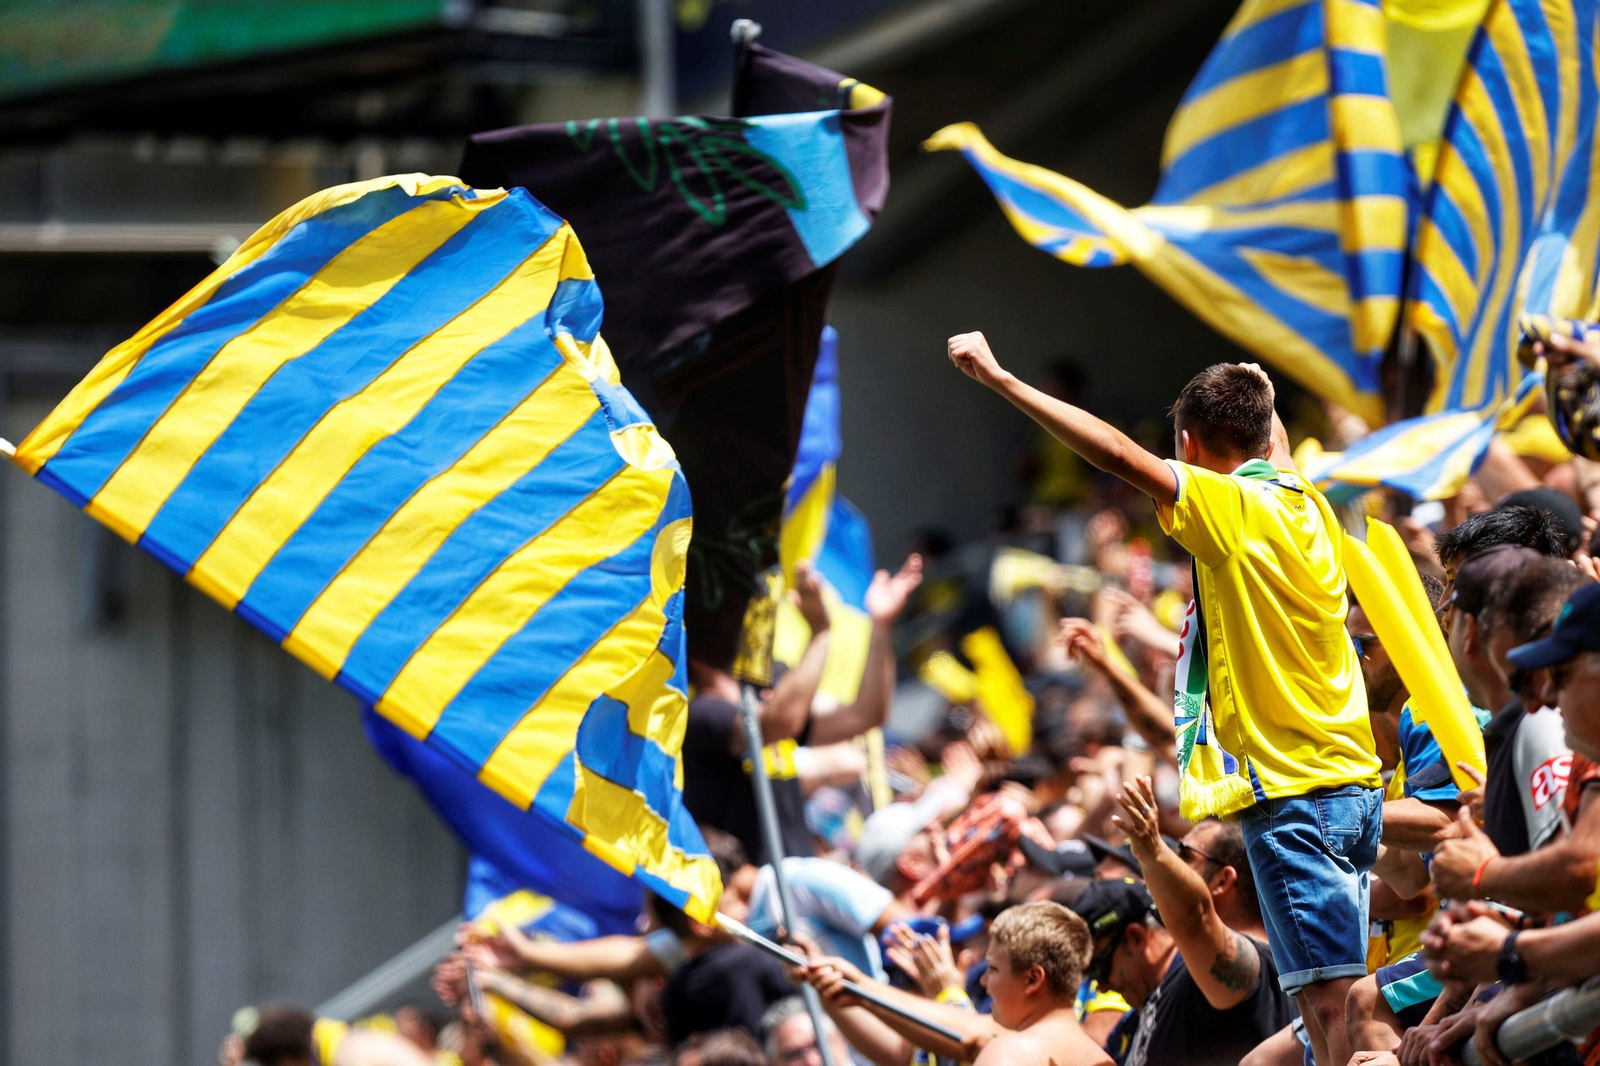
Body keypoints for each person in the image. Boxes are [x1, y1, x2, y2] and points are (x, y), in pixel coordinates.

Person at [948, 335, 1381, 1066]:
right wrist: (1254, 387)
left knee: (1330, 1010)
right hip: (1351, 789)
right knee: (1339, 1005)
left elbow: (1118, 454)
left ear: (1187, 443)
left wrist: (1004, 382)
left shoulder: (1236, 504)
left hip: (1297, 797)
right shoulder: (1303, 497)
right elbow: (1258, 428)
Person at [684, 557, 923, 863]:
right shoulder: (702, 715)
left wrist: (881, 625)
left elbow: (864, 715)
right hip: (754, 899)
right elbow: (777, 723)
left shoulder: (763, 691)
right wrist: (821, 633)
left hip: (794, 887)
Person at [804, 900, 1112, 1066]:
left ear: (1032, 979)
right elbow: (966, 1032)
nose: (984, 981)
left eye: (993, 968)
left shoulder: (1010, 1054)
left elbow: (969, 1035)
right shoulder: (1101, 1059)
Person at [761, 997, 854, 1066]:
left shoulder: (868, 1055)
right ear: (773, 1063)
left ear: (841, 1039)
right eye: (794, 1055)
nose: (812, 1062)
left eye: (818, 1045)